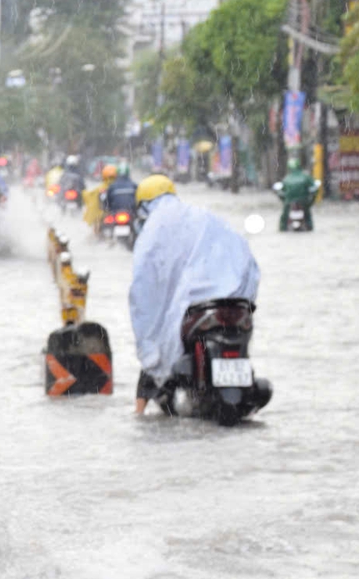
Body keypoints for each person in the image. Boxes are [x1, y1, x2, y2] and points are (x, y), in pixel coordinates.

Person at [128, 174, 260, 415]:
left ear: (143, 204)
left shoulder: (153, 230)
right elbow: (245, 259)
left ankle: (139, 414)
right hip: (233, 302)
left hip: (193, 307)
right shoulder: (204, 217)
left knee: (155, 349)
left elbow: (145, 286)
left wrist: (148, 336)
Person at [277, 156, 320, 230]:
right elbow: (314, 188)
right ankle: (309, 227)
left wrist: (285, 201)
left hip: (289, 201)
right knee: (307, 214)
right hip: (304, 201)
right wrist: (311, 202)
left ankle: (282, 228)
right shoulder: (306, 177)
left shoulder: (286, 178)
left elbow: (281, 192)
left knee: (284, 216)